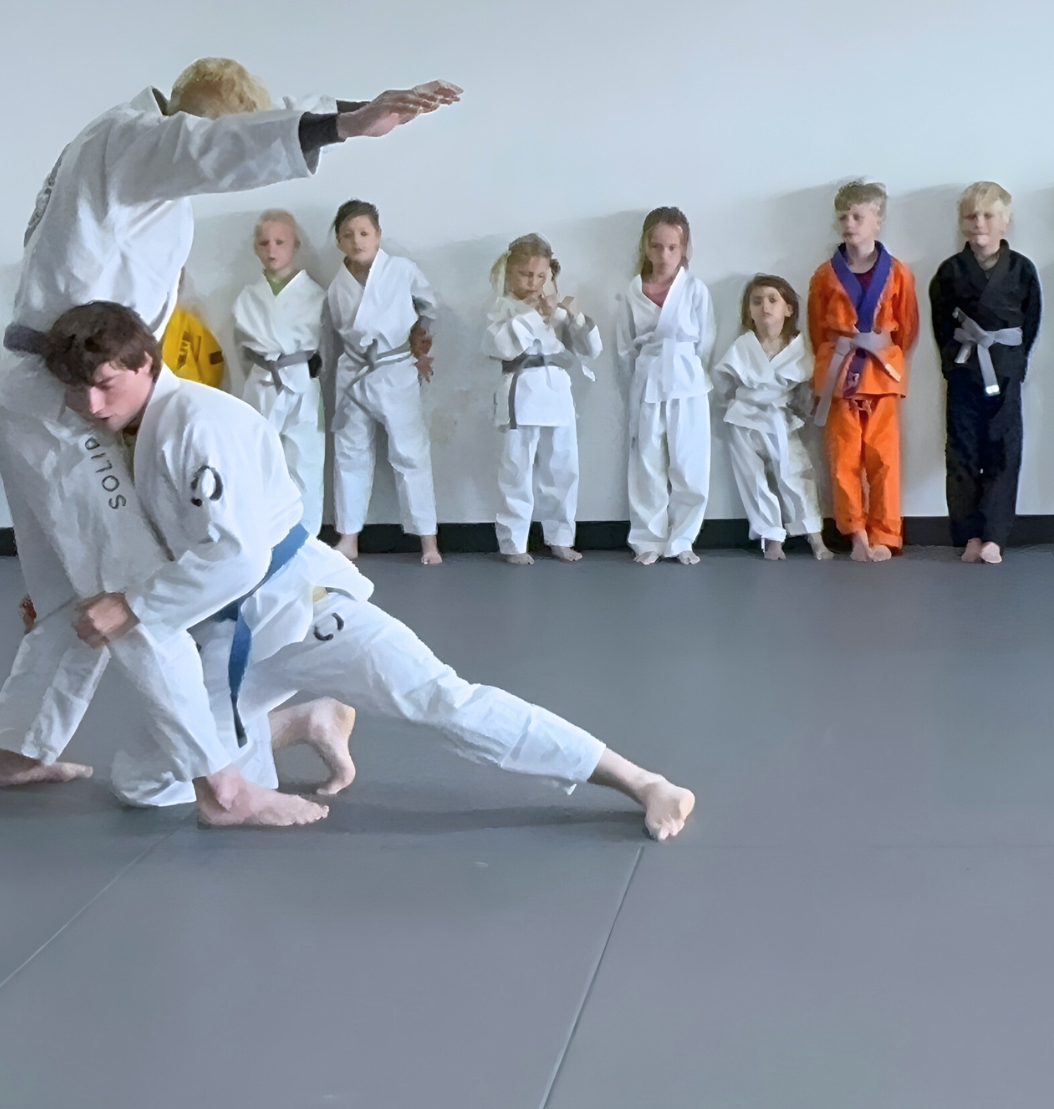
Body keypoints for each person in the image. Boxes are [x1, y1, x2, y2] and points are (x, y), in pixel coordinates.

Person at [0, 58, 460, 797]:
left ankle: (13, 752)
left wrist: (348, 111)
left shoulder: (122, 147)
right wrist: (344, 124)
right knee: (134, 594)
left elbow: (236, 132)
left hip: (39, 394)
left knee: (66, 600)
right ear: (192, 124)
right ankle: (222, 786)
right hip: (68, 397)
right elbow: (215, 145)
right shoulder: (137, 140)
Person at [43, 302, 696, 838]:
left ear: (146, 363)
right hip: (229, 632)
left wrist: (132, 605)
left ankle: (642, 782)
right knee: (142, 780)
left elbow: (237, 554)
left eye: (106, 383)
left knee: (444, 701)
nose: (93, 404)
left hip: (306, 607)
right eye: (79, 390)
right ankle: (305, 721)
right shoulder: (134, 428)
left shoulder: (197, 425)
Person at [325, 200, 442, 565]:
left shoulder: (401, 270)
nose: (357, 241)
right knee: (350, 453)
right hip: (354, 372)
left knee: (411, 453)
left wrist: (421, 342)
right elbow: (334, 334)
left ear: (378, 236)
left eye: (364, 233)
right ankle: (348, 537)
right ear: (339, 241)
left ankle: (428, 540)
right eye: (348, 235)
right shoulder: (336, 286)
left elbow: (429, 307)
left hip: (395, 368)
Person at [807, 180, 919, 562]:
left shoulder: (898, 273)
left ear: (878, 220)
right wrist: (837, 359)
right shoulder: (824, 276)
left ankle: (885, 534)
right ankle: (855, 531)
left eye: (858, 216)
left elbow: (906, 327)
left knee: (883, 458)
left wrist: (879, 351)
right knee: (843, 459)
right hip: (839, 375)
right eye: (843, 217)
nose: (849, 224)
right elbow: (817, 329)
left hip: (881, 374)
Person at [930, 182, 1041, 564]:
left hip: (1005, 372)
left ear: (1005, 222)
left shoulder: (1022, 270)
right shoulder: (949, 272)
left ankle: (995, 535)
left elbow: (1031, 321)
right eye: (971, 216)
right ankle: (970, 536)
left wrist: (1016, 362)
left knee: (1003, 452)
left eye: (988, 215)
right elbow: (941, 323)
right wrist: (952, 363)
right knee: (962, 452)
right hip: (964, 370)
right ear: (962, 223)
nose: (979, 223)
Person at [483, 234, 601, 564]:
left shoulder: (556, 311)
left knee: (563, 469)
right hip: (521, 394)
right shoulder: (501, 309)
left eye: (540, 276)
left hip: (557, 395)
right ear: (509, 272)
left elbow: (592, 350)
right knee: (517, 472)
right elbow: (502, 348)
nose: (533, 283)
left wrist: (575, 315)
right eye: (525, 274)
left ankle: (561, 538)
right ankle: (514, 543)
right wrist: (534, 315)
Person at [613, 207, 714, 565]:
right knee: (647, 462)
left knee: (689, 464)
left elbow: (705, 343)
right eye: (656, 246)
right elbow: (624, 347)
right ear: (645, 246)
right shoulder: (632, 292)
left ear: (684, 248)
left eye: (673, 247)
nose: (664, 255)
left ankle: (683, 539)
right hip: (647, 379)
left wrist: (689, 371)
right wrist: (635, 384)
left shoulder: (695, 290)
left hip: (687, 380)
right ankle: (648, 540)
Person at [711, 274, 828, 560]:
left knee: (795, 474)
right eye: (756, 301)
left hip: (781, 418)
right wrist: (737, 403)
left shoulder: (799, 349)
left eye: (772, 300)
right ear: (748, 311)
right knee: (752, 480)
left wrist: (801, 409)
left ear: (788, 309)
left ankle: (814, 535)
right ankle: (771, 536)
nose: (765, 306)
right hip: (744, 419)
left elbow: (808, 386)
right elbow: (724, 383)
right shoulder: (743, 346)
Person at [231, 209, 328, 538]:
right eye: (264, 243)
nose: (272, 250)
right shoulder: (247, 297)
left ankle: (307, 538)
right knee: (259, 460)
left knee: (305, 461)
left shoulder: (315, 295)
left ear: (295, 245)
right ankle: (263, 536)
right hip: (262, 382)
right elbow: (243, 349)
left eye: (280, 242)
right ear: (256, 248)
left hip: (301, 381)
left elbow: (324, 346)